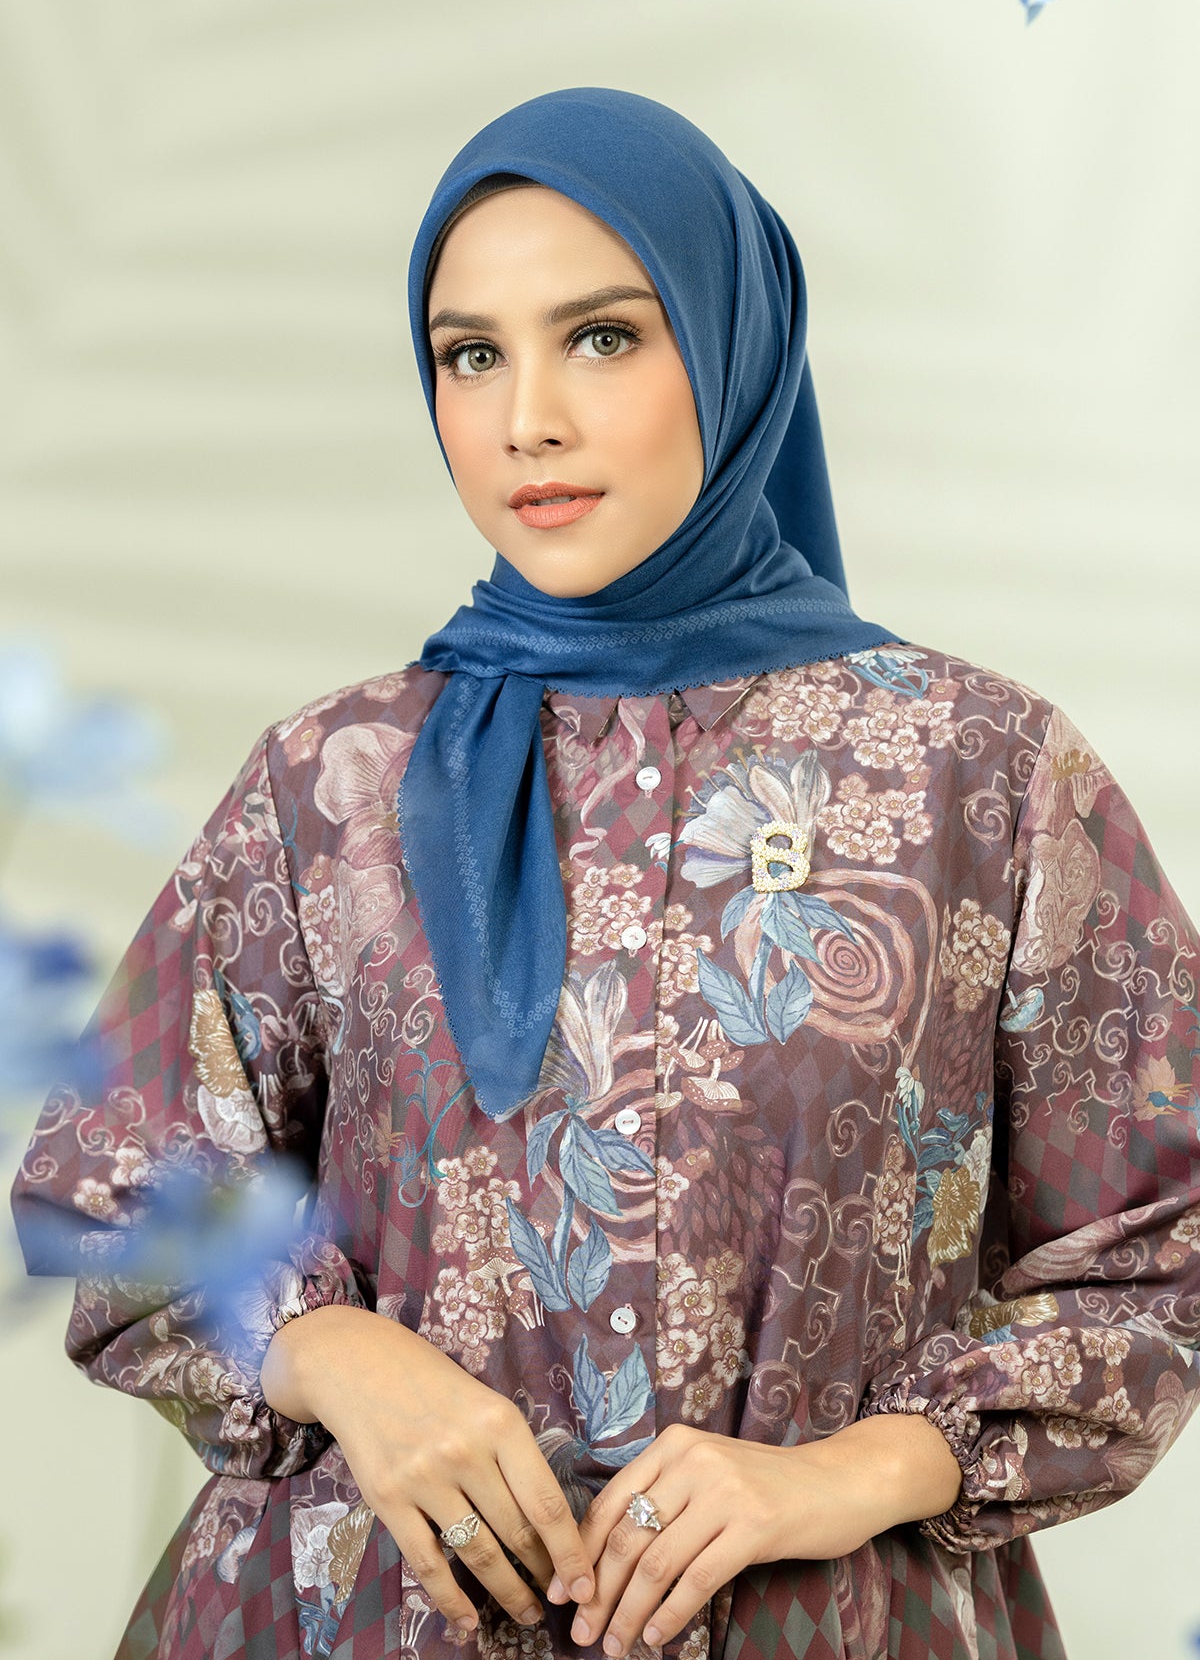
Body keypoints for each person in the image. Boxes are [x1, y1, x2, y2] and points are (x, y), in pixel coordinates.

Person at [12, 86, 1200, 1660]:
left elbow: (1165, 1247)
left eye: (602, 337)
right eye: (470, 354)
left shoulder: (978, 775)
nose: (528, 420)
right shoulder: (332, 785)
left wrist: (851, 1474)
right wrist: (342, 1360)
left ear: (731, 344)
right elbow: (113, 1187)